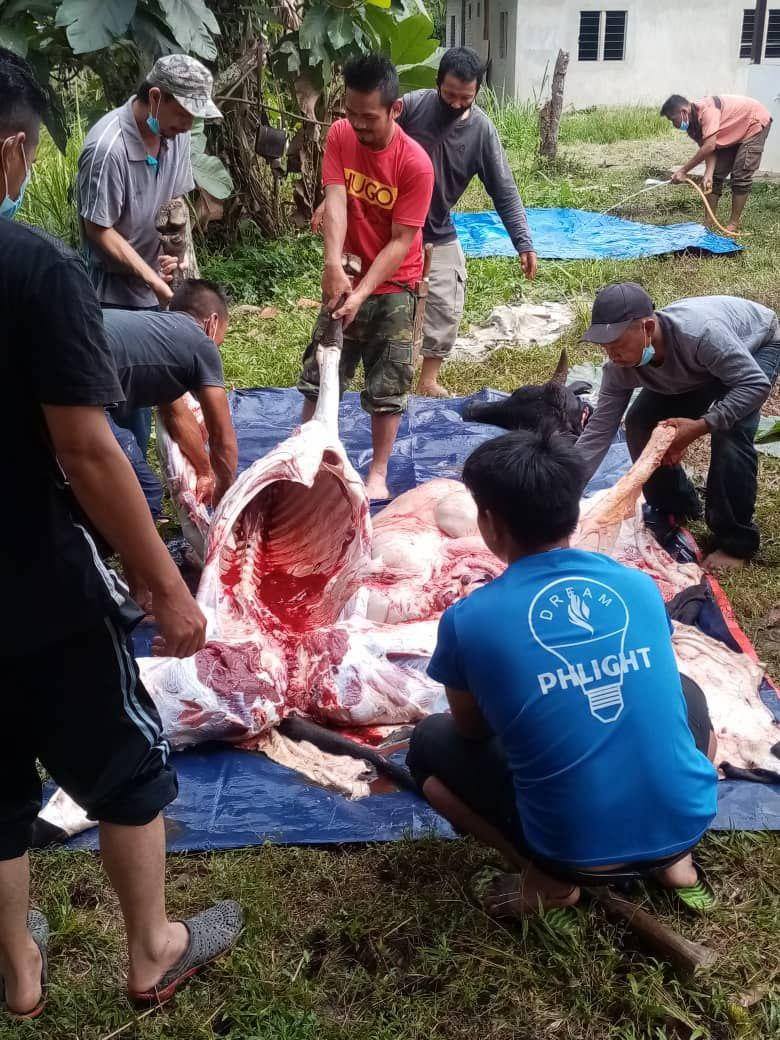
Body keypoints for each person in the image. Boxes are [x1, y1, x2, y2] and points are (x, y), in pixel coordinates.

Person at [0, 49, 241, 1018]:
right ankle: (152, 950)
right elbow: (89, 452)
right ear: (11, 153)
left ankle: (17, 971)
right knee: (127, 766)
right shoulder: (36, 270)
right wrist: (169, 591)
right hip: (36, 580)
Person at [407, 429, 719, 917]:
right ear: (572, 510)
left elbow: (471, 730)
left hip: (570, 849)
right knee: (687, 693)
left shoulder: (469, 619)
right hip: (689, 818)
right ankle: (676, 861)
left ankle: (547, 881)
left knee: (427, 746)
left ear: (488, 522)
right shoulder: (635, 585)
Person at [314, 46, 538, 399]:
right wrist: (331, 197)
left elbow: (504, 188)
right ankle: (338, 372)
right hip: (384, 224)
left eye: (465, 98)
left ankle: (428, 378)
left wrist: (523, 241)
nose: (456, 103)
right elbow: (366, 147)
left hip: (437, 225)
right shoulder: (411, 107)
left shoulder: (481, 131)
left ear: (477, 91)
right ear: (437, 84)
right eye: (449, 95)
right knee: (358, 297)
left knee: (447, 302)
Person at [297, 55, 434, 500]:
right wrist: (333, 266)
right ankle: (304, 456)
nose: (357, 124)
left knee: (387, 382)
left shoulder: (415, 164)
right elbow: (336, 201)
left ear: (395, 110)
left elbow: (401, 241)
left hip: (395, 282)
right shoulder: (340, 135)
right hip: (349, 271)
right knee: (321, 368)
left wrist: (363, 294)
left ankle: (378, 472)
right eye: (350, 112)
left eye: (368, 116)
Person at [576, 283, 779, 572]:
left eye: (617, 345)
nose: (611, 355)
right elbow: (599, 431)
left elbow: (753, 384)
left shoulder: (700, 335)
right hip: (701, 365)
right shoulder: (620, 368)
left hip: (755, 346)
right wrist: (567, 484)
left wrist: (701, 425)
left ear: (647, 327)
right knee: (640, 423)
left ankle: (735, 542)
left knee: (730, 431)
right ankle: (676, 507)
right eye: (605, 347)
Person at [77, 54, 222, 310]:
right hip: (109, 297)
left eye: (194, 118)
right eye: (182, 113)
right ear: (155, 98)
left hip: (155, 287)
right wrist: (152, 280)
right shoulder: (108, 150)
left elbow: (174, 200)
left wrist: (175, 252)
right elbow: (98, 230)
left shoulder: (176, 134)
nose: (188, 126)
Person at [105, 278, 238, 510]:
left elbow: (176, 414)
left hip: (47, 366)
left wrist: (205, 472)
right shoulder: (201, 343)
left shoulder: (158, 335)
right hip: (73, 388)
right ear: (213, 322)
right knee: (143, 493)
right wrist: (226, 499)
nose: (216, 349)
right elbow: (221, 437)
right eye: (220, 343)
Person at [660, 93, 772, 233]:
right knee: (714, 176)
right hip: (734, 129)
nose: (674, 125)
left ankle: (733, 224)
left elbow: (709, 146)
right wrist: (709, 172)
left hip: (753, 122)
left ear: (683, 112)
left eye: (673, 119)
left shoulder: (708, 111)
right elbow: (708, 147)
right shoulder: (692, 126)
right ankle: (709, 221)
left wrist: (683, 170)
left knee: (740, 175)